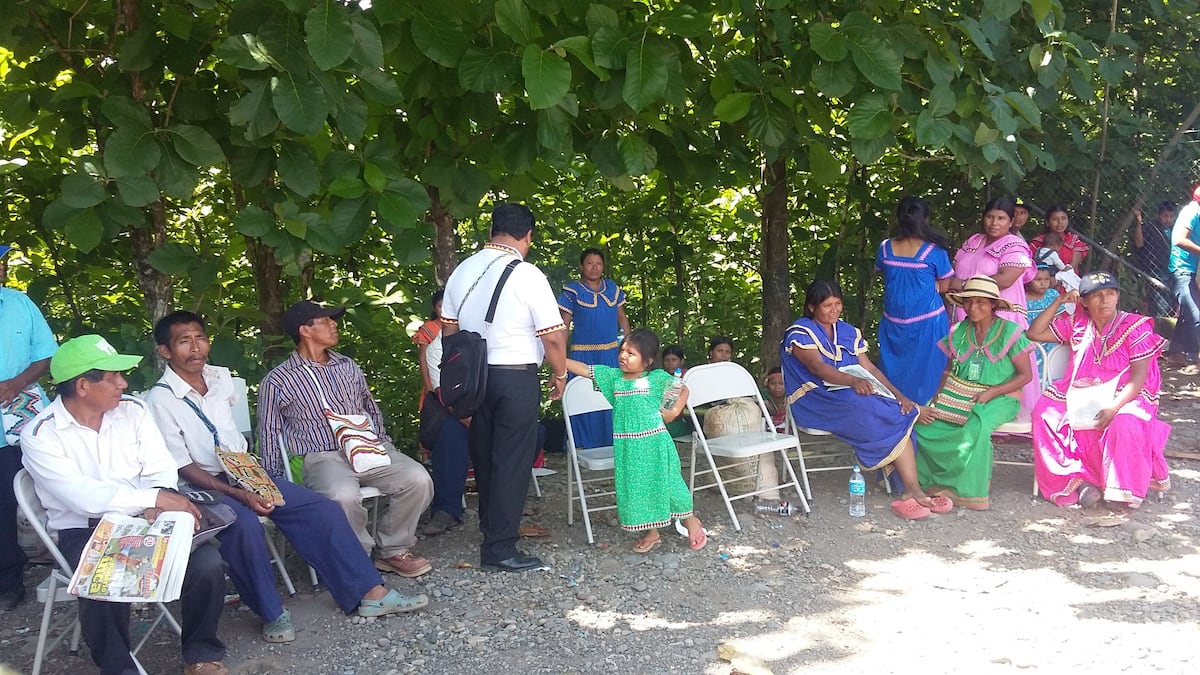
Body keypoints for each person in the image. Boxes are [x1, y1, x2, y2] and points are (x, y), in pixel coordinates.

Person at [145, 311, 427, 643]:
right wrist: (241, 493)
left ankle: (369, 591)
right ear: (164, 350)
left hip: (245, 471)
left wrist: (256, 479)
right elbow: (183, 466)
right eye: (184, 341)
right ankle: (271, 612)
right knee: (244, 527)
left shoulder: (219, 377)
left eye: (200, 338)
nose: (195, 348)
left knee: (321, 509)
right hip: (202, 485)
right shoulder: (160, 399)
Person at [20, 335, 229, 675]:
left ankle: (201, 655)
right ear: (83, 386)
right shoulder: (41, 434)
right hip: (86, 529)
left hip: (148, 517)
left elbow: (159, 464)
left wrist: (158, 496)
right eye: (113, 376)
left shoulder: (133, 410)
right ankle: (118, 668)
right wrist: (152, 498)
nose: (123, 383)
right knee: (102, 582)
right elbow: (81, 496)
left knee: (207, 564)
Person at [258, 300, 434, 578]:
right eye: (325, 320)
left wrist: (383, 443)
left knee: (418, 479)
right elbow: (269, 431)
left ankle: (393, 549)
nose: (333, 324)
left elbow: (369, 407)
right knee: (342, 496)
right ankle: (357, 560)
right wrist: (272, 480)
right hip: (322, 456)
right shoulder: (278, 380)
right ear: (305, 330)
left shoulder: (347, 366)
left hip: (367, 447)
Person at [440, 203, 568, 572]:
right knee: (512, 459)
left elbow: (449, 330)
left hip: (475, 378)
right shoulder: (528, 274)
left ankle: (491, 528)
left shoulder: (462, 270)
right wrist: (559, 374)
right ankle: (500, 548)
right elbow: (553, 337)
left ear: (493, 230)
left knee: (484, 454)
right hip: (515, 377)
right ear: (528, 235)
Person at [781, 280, 946, 521]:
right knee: (870, 406)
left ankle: (912, 488)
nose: (834, 310)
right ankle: (912, 483)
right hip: (814, 399)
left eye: (837, 303)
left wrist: (900, 396)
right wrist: (851, 381)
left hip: (847, 392)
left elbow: (870, 369)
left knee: (896, 409)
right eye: (827, 305)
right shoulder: (800, 332)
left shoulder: (848, 331)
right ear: (811, 307)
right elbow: (817, 367)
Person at [1028, 272, 1171, 510]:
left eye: (1110, 294)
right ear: (1084, 302)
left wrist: (1113, 407)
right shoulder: (1077, 324)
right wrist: (1059, 301)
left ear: (1117, 297)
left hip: (1128, 394)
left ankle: (1119, 491)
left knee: (1124, 422)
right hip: (1083, 391)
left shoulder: (1134, 327)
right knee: (1044, 414)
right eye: (1097, 296)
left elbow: (1139, 377)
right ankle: (1079, 479)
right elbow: (1034, 333)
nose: (1105, 301)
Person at [563, 329, 706, 552]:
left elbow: (682, 389)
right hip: (628, 447)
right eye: (622, 350)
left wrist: (673, 410)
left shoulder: (657, 378)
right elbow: (585, 370)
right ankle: (652, 532)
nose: (623, 356)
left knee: (670, 483)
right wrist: (554, 357)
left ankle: (690, 521)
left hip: (656, 444)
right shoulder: (614, 378)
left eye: (631, 353)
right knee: (637, 489)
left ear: (648, 361)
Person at [914, 277, 1034, 511]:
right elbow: (948, 370)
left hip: (1002, 397)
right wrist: (937, 396)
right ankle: (933, 484)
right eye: (968, 301)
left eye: (981, 302)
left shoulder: (1011, 332)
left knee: (975, 426)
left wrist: (993, 391)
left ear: (993, 304)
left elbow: (1025, 376)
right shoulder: (959, 330)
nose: (972, 307)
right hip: (959, 392)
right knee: (926, 424)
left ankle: (967, 492)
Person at [0, 244, 57, 612]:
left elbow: (46, 353)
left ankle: (65, 557)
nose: (1, 269)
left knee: (27, 492)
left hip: (22, 416)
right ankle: (8, 582)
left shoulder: (19, 304)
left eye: (1, 262)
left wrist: (15, 383)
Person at [875, 196, 955, 404]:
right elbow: (945, 286)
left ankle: (894, 412)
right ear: (925, 219)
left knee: (893, 371)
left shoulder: (885, 248)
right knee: (928, 373)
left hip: (895, 322)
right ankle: (927, 414)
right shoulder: (935, 251)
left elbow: (884, 274)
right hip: (928, 321)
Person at [558, 248, 630, 450]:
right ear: (582, 266)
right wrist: (560, 357)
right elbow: (563, 326)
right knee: (582, 396)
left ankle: (613, 440)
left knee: (610, 396)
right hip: (581, 355)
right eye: (589, 263)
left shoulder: (612, 289)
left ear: (603, 266)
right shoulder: (572, 291)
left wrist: (627, 348)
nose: (594, 267)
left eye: (598, 263)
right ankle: (581, 443)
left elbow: (623, 319)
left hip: (610, 353)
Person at [952, 197, 1036, 328]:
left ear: (1011, 222)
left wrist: (963, 284)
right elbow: (954, 268)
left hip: (999, 317)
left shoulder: (1015, 245)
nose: (994, 223)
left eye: (1001, 218)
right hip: (964, 312)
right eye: (990, 217)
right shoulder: (974, 240)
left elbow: (1006, 279)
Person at [416, 332, 469, 537]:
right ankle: (446, 509)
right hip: (458, 410)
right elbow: (446, 396)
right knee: (450, 434)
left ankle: (506, 508)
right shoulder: (439, 346)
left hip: (495, 407)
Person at [1168, 186, 1200, 367]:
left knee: (1188, 312)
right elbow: (1179, 239)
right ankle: (1193, 357)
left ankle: (1174, 353)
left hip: (1195, 271)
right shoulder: (1192, 212)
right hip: (1183, 269)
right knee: (1196, 315)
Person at [1132, 201, 1176, 318]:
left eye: (1171, 216)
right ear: (1159, 215)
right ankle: (1161, 322)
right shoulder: (1150, 227)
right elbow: (1139, 243)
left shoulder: (1176, 229)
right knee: (1160, 303)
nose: (1168, 219)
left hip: (1173, 269)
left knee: (1173, 300)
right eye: (1165, 216)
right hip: (1157, 269)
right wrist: (1138, 223)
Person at [1030, 205, 1089, 269]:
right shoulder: (1038, 241)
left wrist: (1064, 271)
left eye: (1063, 218)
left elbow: (1074, 264)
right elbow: (1029, 261)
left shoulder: (1073, 240)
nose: (1060, 222)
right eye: (1055, 219)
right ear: (1047, 222)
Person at [412, 290, 443, 413]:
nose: (444, 310)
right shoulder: (428, 328)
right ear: (434, 308)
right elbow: (423, 358)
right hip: (434, 377)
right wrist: (428, 387)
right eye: (440, 306)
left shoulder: (460, 325)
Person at [762, 367, 786, 433]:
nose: (777, 387)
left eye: (781, 383)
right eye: (772, 384)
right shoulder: (764, 397)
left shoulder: (792, 398)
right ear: (767, 384)